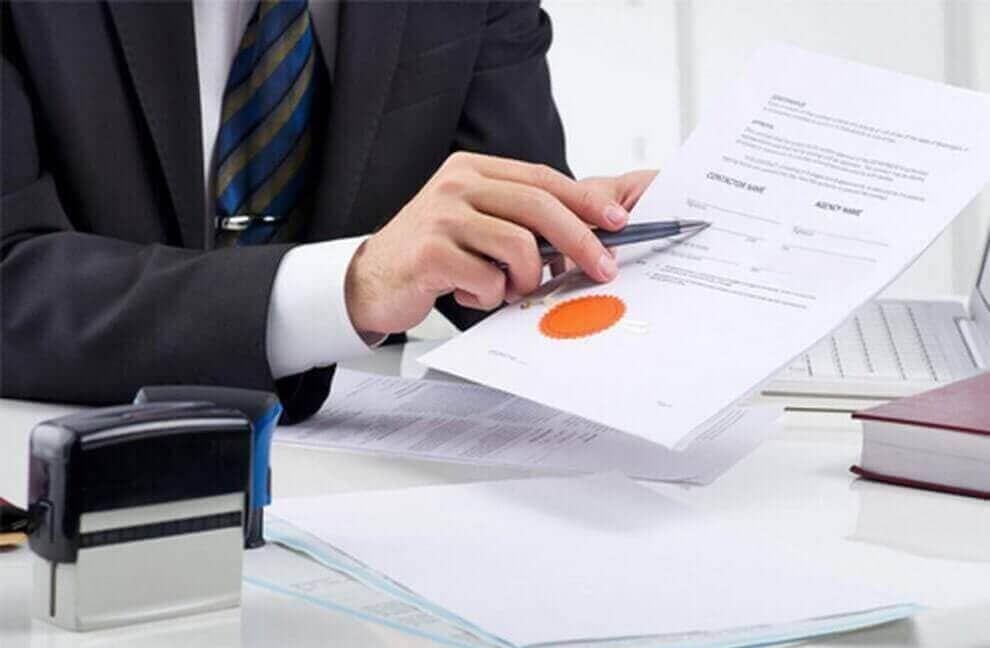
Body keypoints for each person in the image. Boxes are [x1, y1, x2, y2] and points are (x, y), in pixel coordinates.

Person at [1, 0, 656, 421]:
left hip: (361, 487)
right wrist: (351, 286)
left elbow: (499, 256)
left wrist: (607, 251)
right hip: (69, 469)